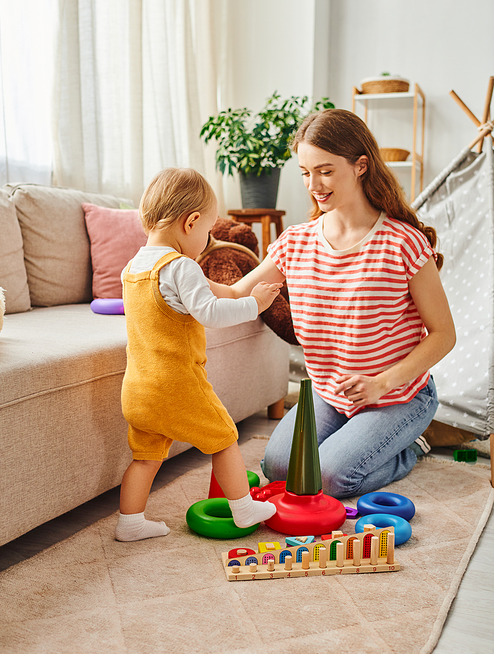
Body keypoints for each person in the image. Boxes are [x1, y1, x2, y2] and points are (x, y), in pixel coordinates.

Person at [216, 108, 456, 498]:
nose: (314, 184)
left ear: (361, 166)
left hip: (398, 395)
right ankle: (360, 441)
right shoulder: (296, 242)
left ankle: (409, 449)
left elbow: (444, 335)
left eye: (325, 171)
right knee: (278, 468)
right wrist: (167, 279)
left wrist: (381, 383)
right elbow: (235, 292)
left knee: (328, 479)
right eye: (306, 172)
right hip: (331, 394)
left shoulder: (402, 243)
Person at [115, 167, 280, 542]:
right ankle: (242, 507)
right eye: (207, 232)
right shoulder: (181, 266)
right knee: (224, 437)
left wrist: (243, 293)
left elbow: (215, 292)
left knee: (146, 456)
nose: (206, 241)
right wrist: (254, 306)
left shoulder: (134, 267)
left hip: (139, 388)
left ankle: (131, 522)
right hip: (177, 384)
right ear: (190, 222)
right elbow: (209, 312)